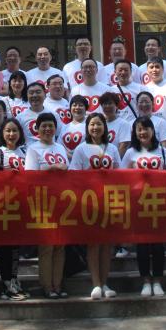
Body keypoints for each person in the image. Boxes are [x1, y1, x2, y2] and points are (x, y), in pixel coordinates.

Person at [69, 113, 120, 299]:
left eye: (99, 124)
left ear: (104, 127)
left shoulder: (112, 148)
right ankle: (96, 283)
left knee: (106, 244)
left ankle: (105, 283)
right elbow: (73, 174)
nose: (95, 128)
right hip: (88, 202)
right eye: (92, 124)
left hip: (108, 201)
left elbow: (119, 173)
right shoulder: (81, 149)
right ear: (87, 127)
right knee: (93, 243)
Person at [121, 116, 166, 297]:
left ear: (152, 130)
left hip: (159, 203)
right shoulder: (130, 153)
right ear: (135, 133)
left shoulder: (163, 151)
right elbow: (121, 176)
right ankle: (145, 280)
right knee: (142, 245)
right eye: (139, 129)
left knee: (158, 245)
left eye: (146, 128)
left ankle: (157, 280)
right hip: (139, 204)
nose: (143, 132)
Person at [25, 112, 69, 298]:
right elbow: (29, 175)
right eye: (44, 126)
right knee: (47, 246)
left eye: (51, 126)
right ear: (37, 128)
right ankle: (47, 286)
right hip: (42, 202)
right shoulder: (33, 149)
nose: (48, 129)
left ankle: (58, 285)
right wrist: (50, 168)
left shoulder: (60, 147)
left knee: (60, 245)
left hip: (61, 202)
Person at [0, 117, 30, 301]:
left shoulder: (25, 152)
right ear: (2, 134)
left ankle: (14, 279)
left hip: (20, 205)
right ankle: (6, 283)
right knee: (4, 246)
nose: (11, 134)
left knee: (15, 246)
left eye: (15, 131)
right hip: (3, 206)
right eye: (8, 131)